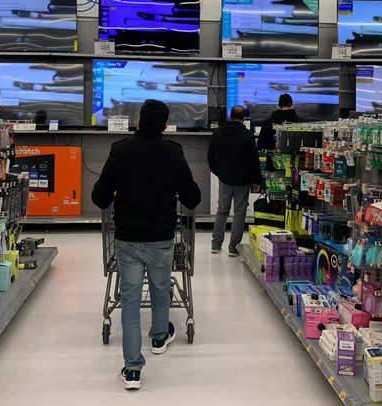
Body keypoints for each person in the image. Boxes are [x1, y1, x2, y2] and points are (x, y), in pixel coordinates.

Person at [92, 99, 201, 391]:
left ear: (139, 120)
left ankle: (132, 369)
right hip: (162, 236)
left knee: (129, 301)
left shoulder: (120, 150)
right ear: (165, 125)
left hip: (127, 238)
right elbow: (192, 198)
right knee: (160, 285)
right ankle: (158, 337)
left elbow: (100, 197)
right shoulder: (173, 153)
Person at [208, 105, 262, 256]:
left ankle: (216, 245)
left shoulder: (218, 133)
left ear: (230, 116)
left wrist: (219, 173)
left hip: (224, 179)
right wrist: (257, 180)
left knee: (222, 211)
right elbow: (254, 161)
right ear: (244, 118)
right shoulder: (248, 135)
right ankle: (233, 248)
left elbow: (210, 157)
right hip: (243, 181)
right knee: (239, 214)